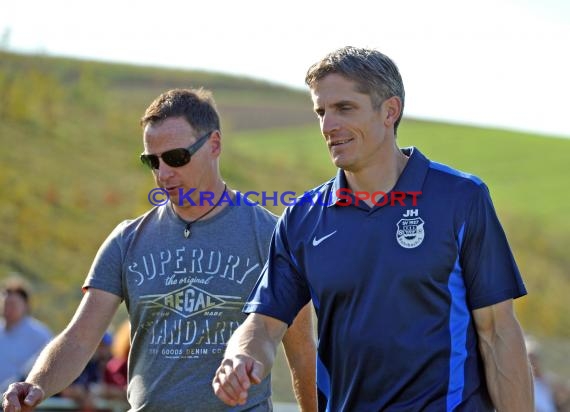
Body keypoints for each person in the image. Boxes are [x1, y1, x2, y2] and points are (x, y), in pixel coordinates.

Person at [212, 46, 534, 411]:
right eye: (321, 111)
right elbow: (264, 325)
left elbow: (497, 333)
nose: (328, 126)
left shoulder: (461, 198)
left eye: (344, 108)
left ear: (390, 111)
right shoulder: (302, 218)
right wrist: (240, 356)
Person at [2, 88, 316, 412]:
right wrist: (36, 383)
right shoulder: (127, 240)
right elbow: (80, 339)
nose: (163, 174)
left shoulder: (272, 236)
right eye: (152, 161)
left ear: (215, 145)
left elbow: (303, 353)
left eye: (176, 157)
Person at [0, 277, 52, 393]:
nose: (8, 308)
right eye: (5, 303)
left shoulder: (40, 335)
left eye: (13, 304)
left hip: (22, 402)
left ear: (25, 306)